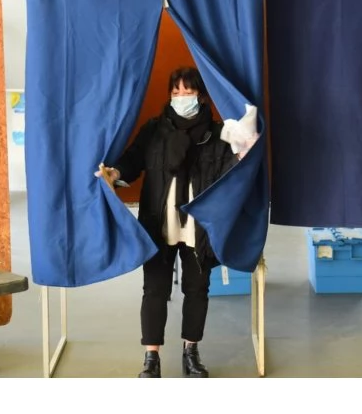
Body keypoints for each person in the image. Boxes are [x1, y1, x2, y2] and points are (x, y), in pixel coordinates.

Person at [96, 66, 256, 378]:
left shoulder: (218, 133)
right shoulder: (154, 130)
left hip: (199, 226)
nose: (181, 97)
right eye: (176, 92)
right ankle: (151, 357)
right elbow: (133, 160)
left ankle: (191, 351)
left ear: (202, 96)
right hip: (159, 222)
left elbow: (230, 172)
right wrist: (114, 174)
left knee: (197, 289)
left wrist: (244, 150)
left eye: (188, 91)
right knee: (154, 289)